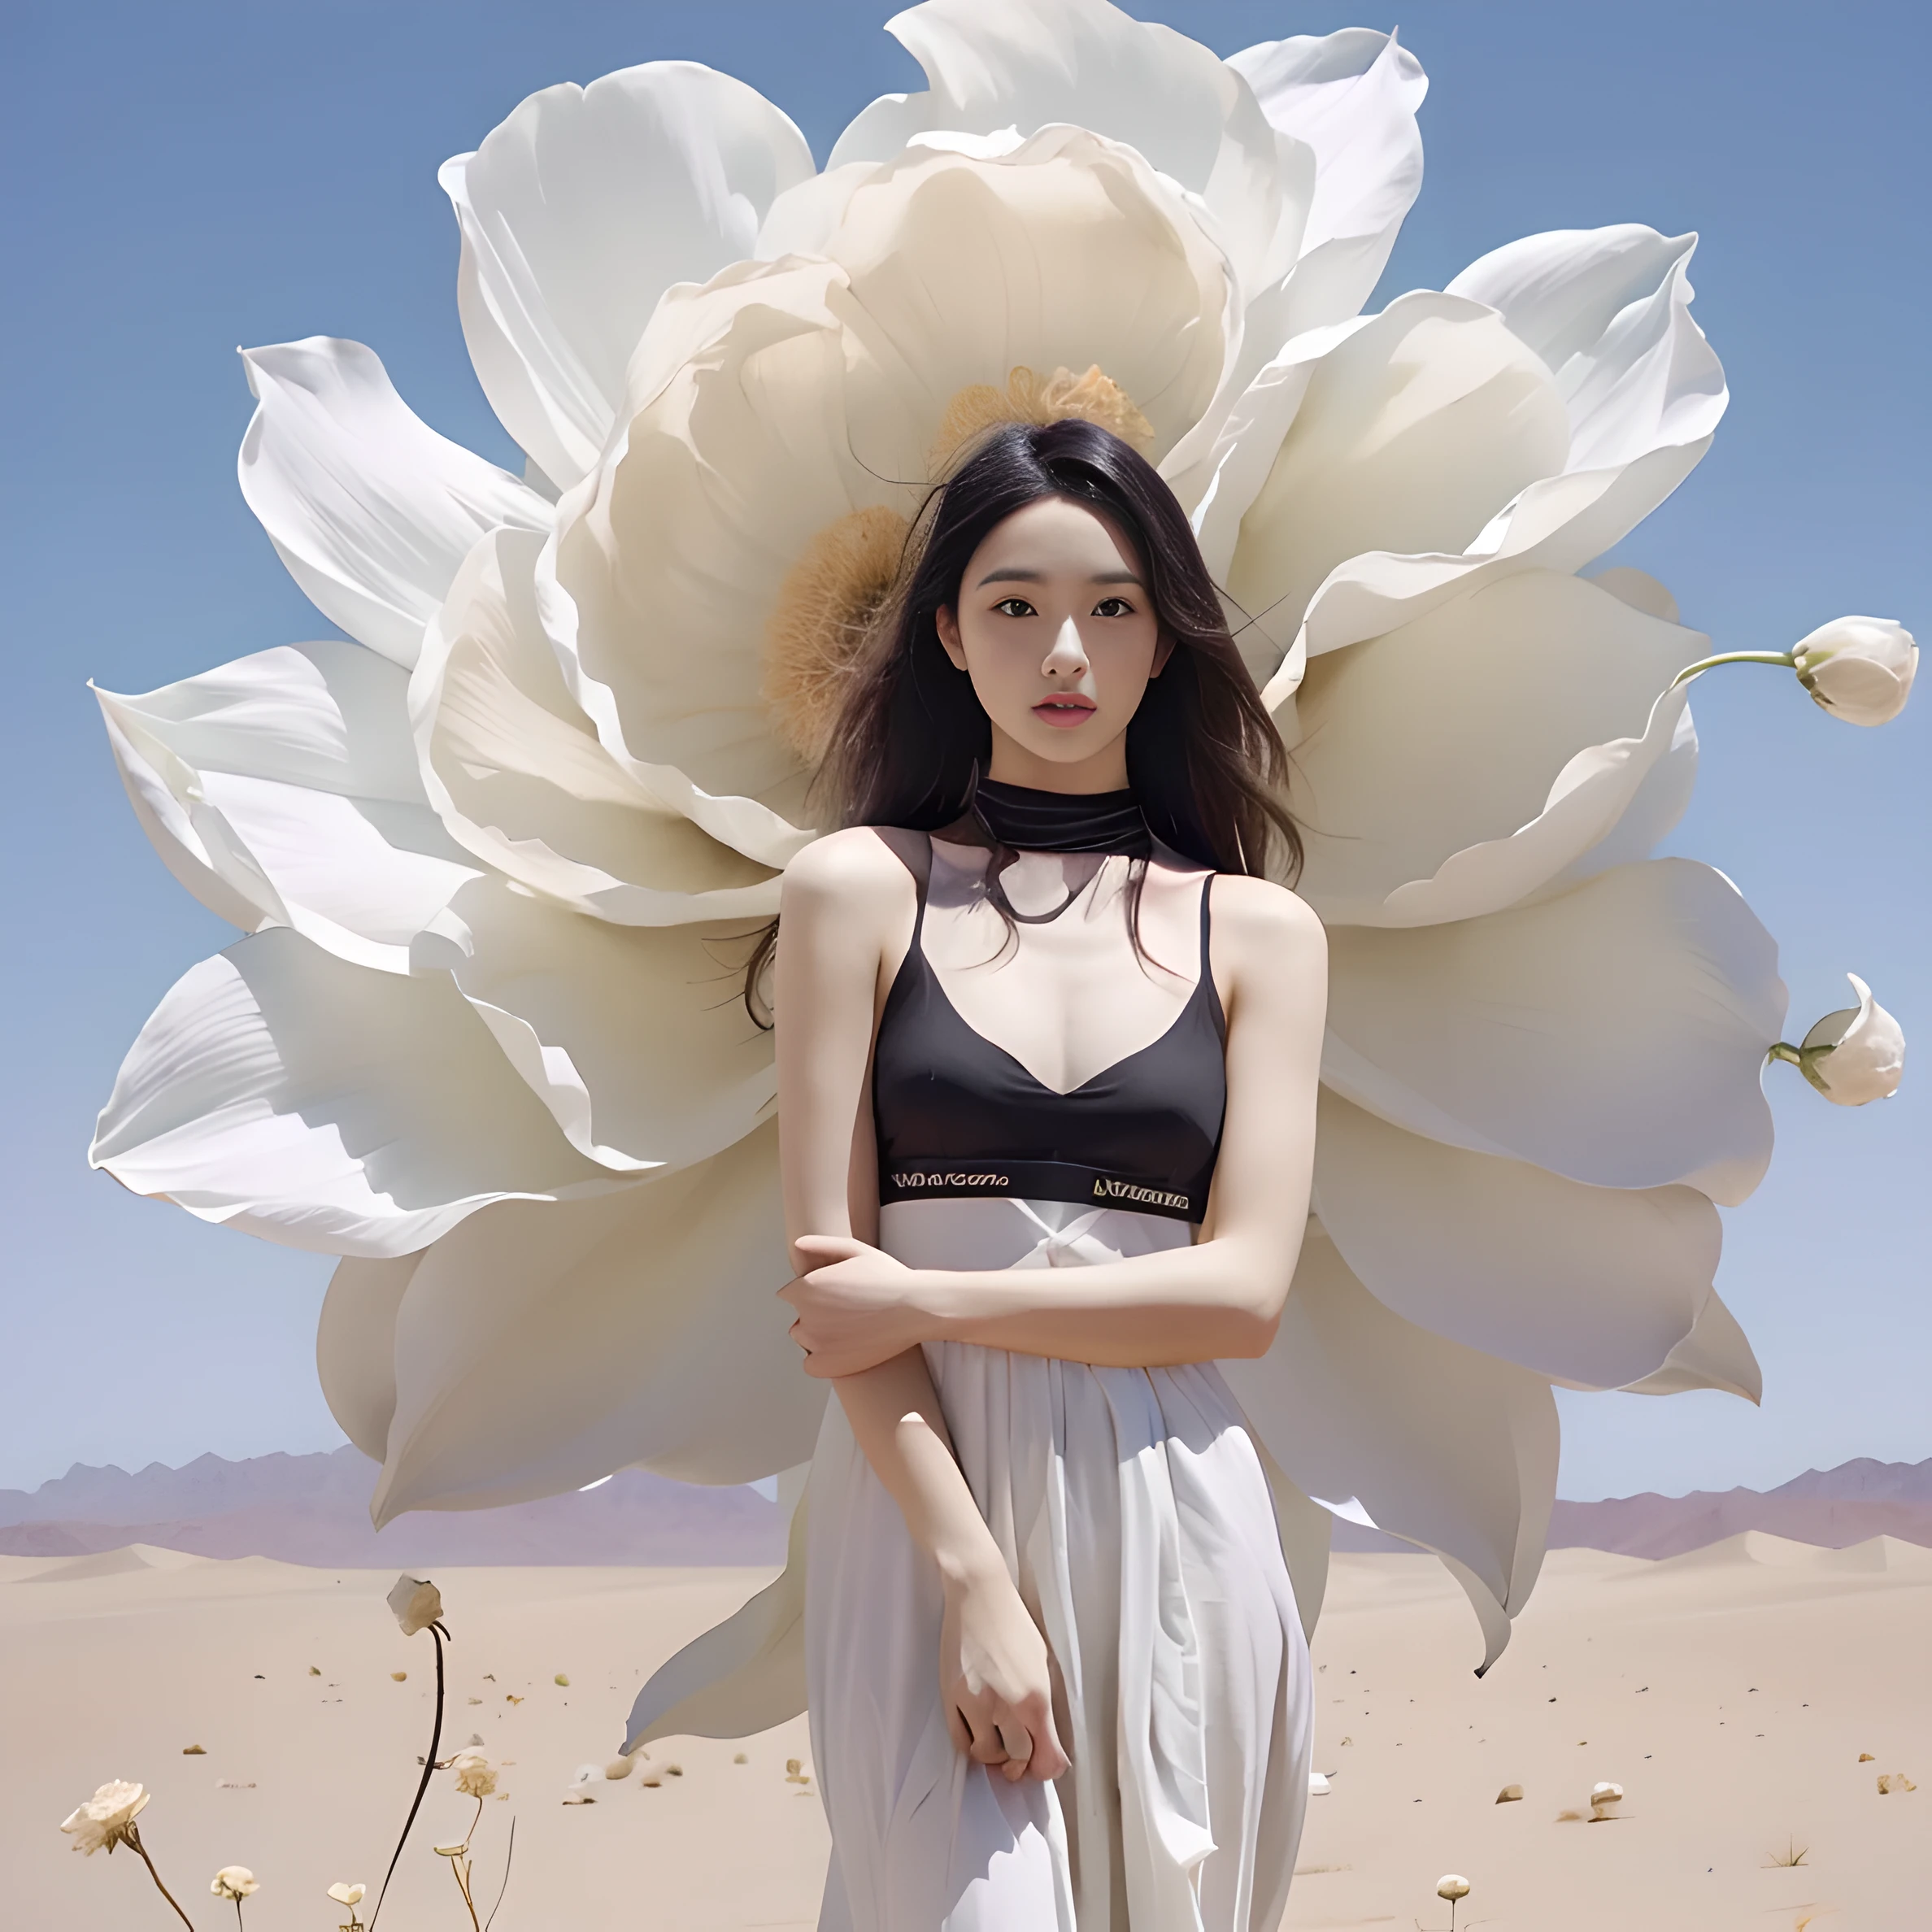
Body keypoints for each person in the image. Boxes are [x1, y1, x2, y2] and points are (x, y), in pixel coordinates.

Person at [772, 416, 1329, 1930]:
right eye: (1014, 605)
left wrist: (923, 1291)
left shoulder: (1260, 935)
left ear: (1166, 645)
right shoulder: (855, 893)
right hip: (922, 1507)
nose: (1063, 649)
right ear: (949, 635)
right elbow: (838, 1315)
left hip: (1181, 1511)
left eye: (1113, 607)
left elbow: (1245, 1295)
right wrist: (970, 1580)